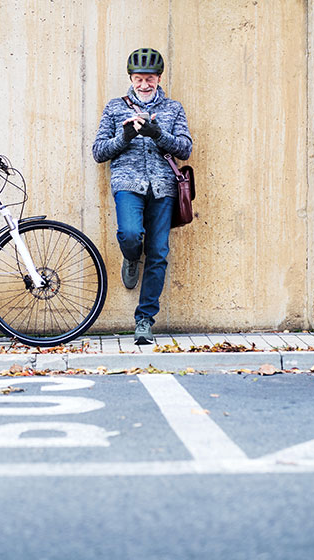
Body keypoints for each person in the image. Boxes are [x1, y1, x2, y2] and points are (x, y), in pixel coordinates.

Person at [92, 47, 193, 344]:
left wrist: (156, 133)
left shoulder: (173, 109)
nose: (144, 84)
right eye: (139, 79)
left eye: (150, 78)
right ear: (131, 79)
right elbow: (98, 152)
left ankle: (144, 320)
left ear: (159, 78)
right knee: (131, 235)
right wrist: (126, 136)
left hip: (163, 188)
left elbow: (185, 149)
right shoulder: (114, 108)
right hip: (128, 184)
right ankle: (132, 257)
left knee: (159, 253)